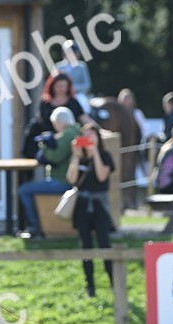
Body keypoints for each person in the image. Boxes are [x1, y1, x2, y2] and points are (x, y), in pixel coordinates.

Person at [66, 121, 115, 297]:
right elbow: (71, 179)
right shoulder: (79, 158)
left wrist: (95, 153)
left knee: (104, 245)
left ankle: (113, 284)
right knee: (86, 247)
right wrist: (76, 156)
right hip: (82, 206)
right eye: (85, 136)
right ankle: (90, 287)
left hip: (99, 205)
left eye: (92, 136)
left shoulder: (105, 156)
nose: (88, 139)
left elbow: (102, 177)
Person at [19, 106, 80, 238]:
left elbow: (55, 157)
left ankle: (34, 227)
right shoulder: (74, 131)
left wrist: (44, 145)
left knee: (24, 190)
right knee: (28, 188)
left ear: (59, 122)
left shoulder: (68, 134)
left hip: (62, 181)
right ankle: (35, 225)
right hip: (64, 179)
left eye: (54, 124)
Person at [22, 73, 93, 158]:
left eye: (64, 86)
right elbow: (40, 120)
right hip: (50, 140)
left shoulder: (73, 102)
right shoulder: (45, 102)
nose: (62, 89)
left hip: (67, 140)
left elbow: (84, 118)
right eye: (59, 86)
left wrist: (96, 129)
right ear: (52, 86)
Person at [54, 41, 92, 113]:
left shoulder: (81, 66)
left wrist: (72, 88)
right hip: (61, 94)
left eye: (74, 52)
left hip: (77, 94)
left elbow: (87, 85)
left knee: (84, 106)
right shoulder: (58, 67)